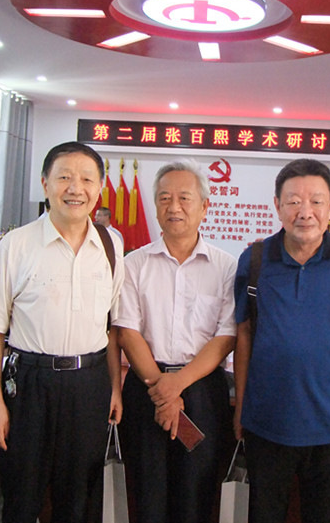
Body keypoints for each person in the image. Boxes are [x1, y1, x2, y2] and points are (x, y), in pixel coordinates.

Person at [0, 141, 124, 523]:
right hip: (30, 384)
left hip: (89, 384)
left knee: (78, 499)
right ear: (45, 184)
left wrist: (114, 387)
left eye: (87, 179)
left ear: (99, 187)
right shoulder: (17, 244)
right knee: (21, 495)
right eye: (64, 178)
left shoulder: (111, 245)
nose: (76, 188)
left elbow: (111, 326)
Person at [232, 158, 330, 523]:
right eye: (294, 201)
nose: (305, 212)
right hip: (266, 422)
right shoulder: (255, 260)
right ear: (277, 205)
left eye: (316, 201)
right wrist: (241, 406)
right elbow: (244, 334)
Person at [114, 160, 236, 523]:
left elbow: (226, 336)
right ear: (155, 207)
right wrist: (162, 390)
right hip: (145, 390)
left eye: (185, 197)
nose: (174, 207)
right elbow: (128, 331)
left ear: (204, 206)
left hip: (202, 393)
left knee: (196, 497)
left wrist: (176, 385)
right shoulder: (134, 264)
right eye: (165, 198)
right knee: (147, 494)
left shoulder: (226, 267)